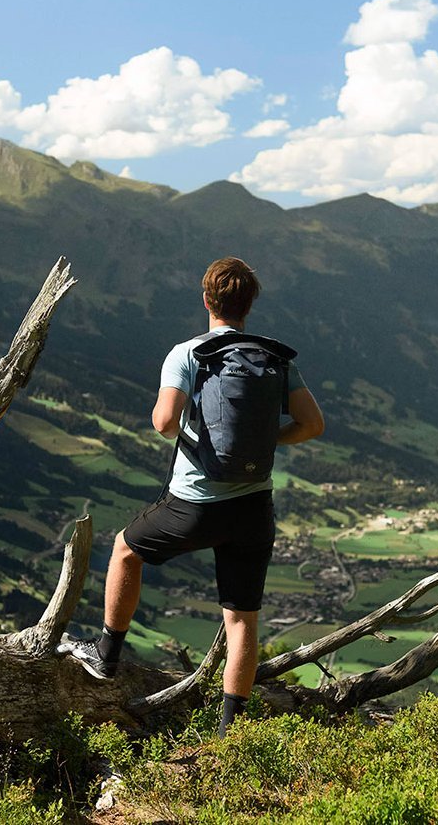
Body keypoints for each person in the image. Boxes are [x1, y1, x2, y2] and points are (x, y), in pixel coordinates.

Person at [64, 256, 325, 735]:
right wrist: (267, 440)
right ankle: (231, 736)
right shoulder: (276, 359)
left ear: (207, 301)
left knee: (124, 550)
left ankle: (107, 657)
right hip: (254, 508)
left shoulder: (188, 353)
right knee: (242, 618)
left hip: (195, 504)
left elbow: (165, 423)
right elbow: (313, 424)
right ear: (249, 305)